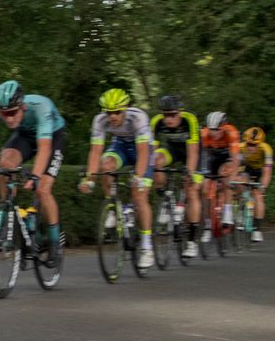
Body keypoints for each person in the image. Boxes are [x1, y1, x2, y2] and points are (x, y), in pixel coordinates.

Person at [0, 80, 66, 265]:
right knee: (5, 163)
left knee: (43, 188)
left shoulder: (40, 106)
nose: (9, 119)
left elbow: (44, 147)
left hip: (52, 137)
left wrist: (35, 176)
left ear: (23, 106)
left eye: (12, 113)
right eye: (5, 114)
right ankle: (7, 210)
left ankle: (54, 241)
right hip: (25, 136)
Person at [78, 88, 156, 269]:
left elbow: (144, 151)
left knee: (139, 195)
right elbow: (96, 151)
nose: (112, 116)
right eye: (108, 112)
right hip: (120, 145)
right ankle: (112, 206)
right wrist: (89, 179)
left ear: (126, 108)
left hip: (142, 149)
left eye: (117, 112)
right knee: (105, 166)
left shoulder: (138, 117)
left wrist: (139, 177)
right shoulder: (100, 120)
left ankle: (146, 245)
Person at [149, 95, 203, 257]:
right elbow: (151, 151)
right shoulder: (156, 122)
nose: (168, 119)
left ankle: (192, 242)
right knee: (155, 161)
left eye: (173, 115)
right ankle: (166, 199)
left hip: (193, 154)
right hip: (172, 151)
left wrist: (190, 173)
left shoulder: (189, 120)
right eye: (165, 115)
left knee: (191, 189)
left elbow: (193, 152)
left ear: (180, 113)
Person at [198, 111, 240, 243]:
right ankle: (207, 225)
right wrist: (203, 174)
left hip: (226, 157)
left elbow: (235, 159)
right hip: (211, 157)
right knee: (204, 190)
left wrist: (232, 177)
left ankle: (227, 213)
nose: (214, 133)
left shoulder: (231, 132)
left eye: (217, 130)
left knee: (227, 177)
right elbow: (202, 156)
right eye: (211, 130)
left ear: (224, 127)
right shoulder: (204, 134)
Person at [237, 126, 270, 242]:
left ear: (260, 143)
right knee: (241, 181)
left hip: (260, 170)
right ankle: (242, 208)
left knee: (258, 196)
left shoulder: (266, 149)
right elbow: (236, 167)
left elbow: (267, 172)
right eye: (249, 144)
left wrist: (263, 186)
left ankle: (257, 229)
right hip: (246, 168)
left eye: (254, 145)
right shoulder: (240, 147)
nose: (251, 147)